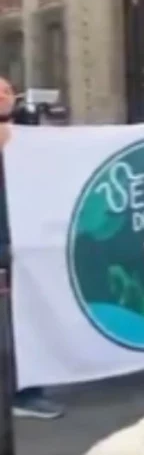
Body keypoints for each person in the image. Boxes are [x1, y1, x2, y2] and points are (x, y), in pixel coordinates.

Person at [0, 75, 66, 419]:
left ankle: (27, 389)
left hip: (25, 238)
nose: (4, 97)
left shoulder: (31, 138)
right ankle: (20, 393)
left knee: (26, 317)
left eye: (8, 91)